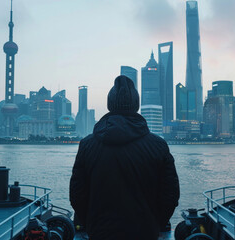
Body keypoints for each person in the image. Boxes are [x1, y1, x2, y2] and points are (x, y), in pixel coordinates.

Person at [70, 75, 180, 240]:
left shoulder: (87, 145)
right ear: (136, 105)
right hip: (145, 232)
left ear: (109, 104)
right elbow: (170, 196)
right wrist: (155, 223)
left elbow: (77, 195)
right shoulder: (158, 146)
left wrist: (91, 223)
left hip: (99, 233)